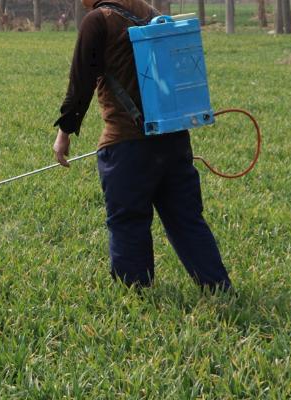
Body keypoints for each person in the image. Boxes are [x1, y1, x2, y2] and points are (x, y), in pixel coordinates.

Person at [52, 0, 232, 292]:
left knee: (128, 222)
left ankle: (135, 295)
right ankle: (218, 287)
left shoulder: (98, 21)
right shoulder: (152, 13)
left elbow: (81, 82)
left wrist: (64, 134)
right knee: (187, 219)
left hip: (126, 146)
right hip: (174, 139)